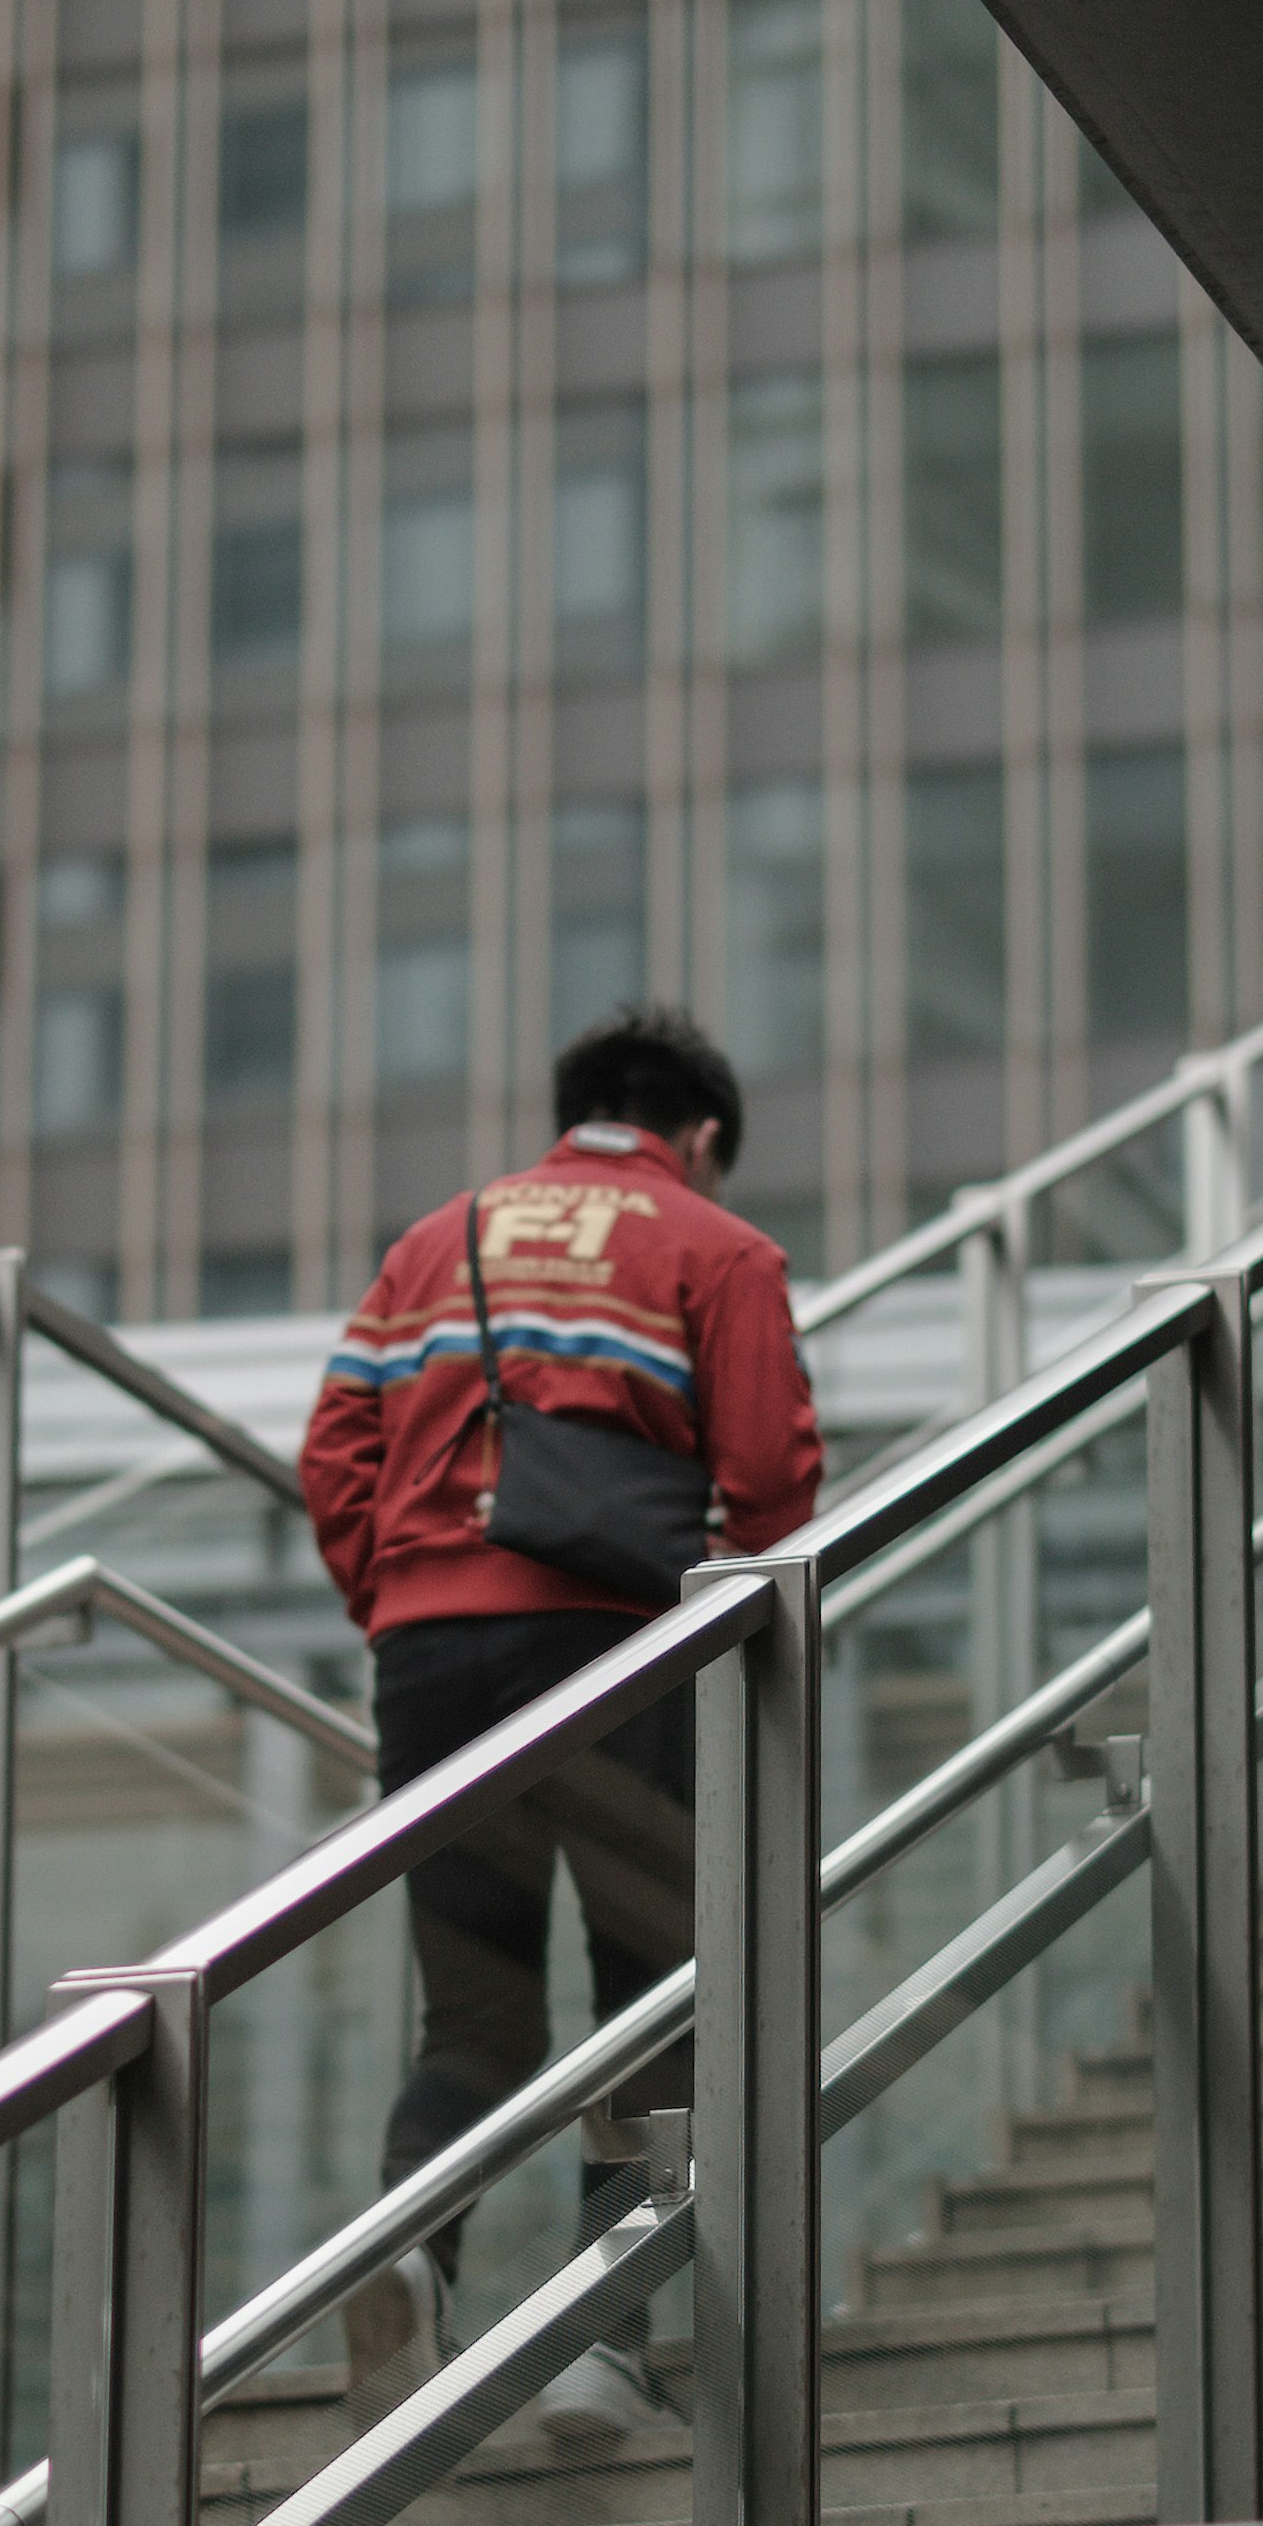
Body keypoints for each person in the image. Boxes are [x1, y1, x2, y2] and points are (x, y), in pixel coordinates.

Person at [300, 1005, 824, 2438]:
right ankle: (606, 2346)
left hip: (429, 1657)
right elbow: (773, 1477)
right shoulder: (719, 1250)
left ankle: (411, 2255)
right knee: (653, 1997)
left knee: (473, 2011)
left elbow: (333, 1448)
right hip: (613, 1657)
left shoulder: (432, 1244)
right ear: (698, 1136)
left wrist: (403, 1597)